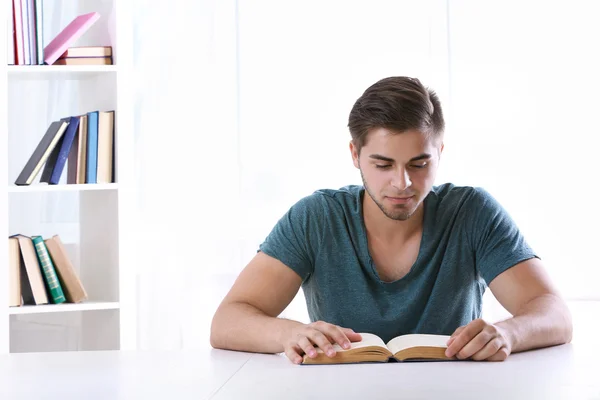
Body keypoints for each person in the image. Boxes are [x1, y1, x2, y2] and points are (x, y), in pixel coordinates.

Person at [210, 76, 573, 364]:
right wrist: (287, 334)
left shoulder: (473, 212)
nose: (403, 183)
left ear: (440, 152)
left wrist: (508, 333)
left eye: (419, 164)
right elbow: (226, 321)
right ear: (355, 154)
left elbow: (554, 313)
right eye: (383, 165)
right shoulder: (316, 218)